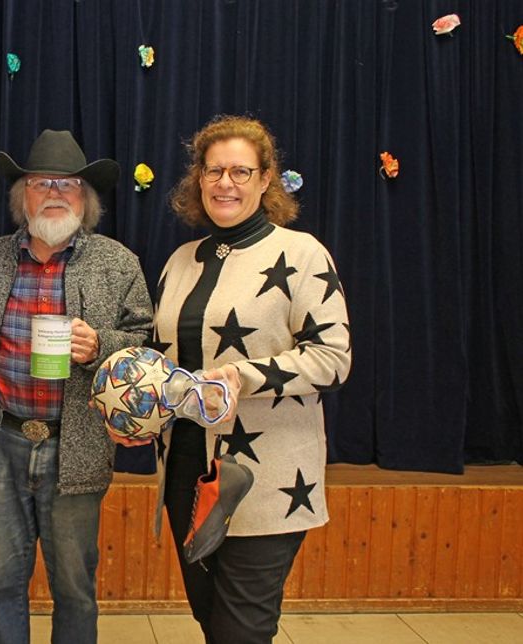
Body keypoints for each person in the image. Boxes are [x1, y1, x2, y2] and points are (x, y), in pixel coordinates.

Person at [152, 115, 351, 643]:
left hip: (266, 478)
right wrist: (136, 412)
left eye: (241, 171)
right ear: (199, 180)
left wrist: (243, 375)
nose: (225, 183)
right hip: (186, 473)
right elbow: (163, 363)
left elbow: (333, 357)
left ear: (266, 180)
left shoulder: (303, 254)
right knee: (211, 618)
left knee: (242, 628)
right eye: (214, 170)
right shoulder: (180, 261)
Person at [0, 129, 153, 644]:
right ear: (21, 196)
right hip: (2, 441)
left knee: (74, 587)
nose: (55, 192)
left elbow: (144, 343)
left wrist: (101, 345)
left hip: (77, 444)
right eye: (41, 182)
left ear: (86, 199)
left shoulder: (117, 262)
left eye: (68, 184)